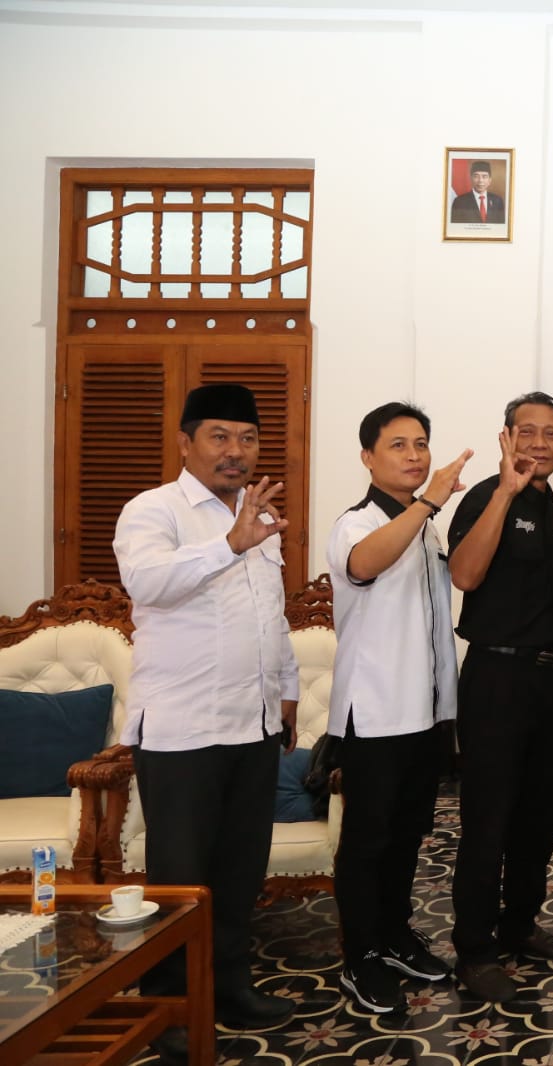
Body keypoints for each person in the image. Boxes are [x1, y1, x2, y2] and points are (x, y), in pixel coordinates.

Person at [114, 383, 299, 1062]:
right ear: (185, 442)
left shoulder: (259, 514)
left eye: (247, 439)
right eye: (219, 436)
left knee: (239, 869)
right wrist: (229, 543)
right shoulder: (153, 509)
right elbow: (147, 583)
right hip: (183, 730)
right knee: (180, 876)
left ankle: (229, 985)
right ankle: (169, 1004)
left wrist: (286, 691)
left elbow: (270, 613)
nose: (235, 451)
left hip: (252, 725)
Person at [326, 403, 470, 1013]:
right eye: (398, 445)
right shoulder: (356, 524)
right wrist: (428, 502)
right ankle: (359, 955)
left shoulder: (426, 528)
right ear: (367, 457)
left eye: (421, 444)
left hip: (426, 711)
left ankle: (393, 934)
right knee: (368, 839)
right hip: (376, 712)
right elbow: (364, 565)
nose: (414, 456)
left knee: (408, 834)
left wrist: (426, 511)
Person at [447, 391, 553, 1002]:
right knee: (488, 820)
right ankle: (475, 950)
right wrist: (505, 493)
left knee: (540, 818)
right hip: (496, 678)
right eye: (526, 431)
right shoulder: (485, 497)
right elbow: (464, 574)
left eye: (550, 433)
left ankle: (520, 926)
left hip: (551, 682)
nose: (538, 443)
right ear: (506, 438)